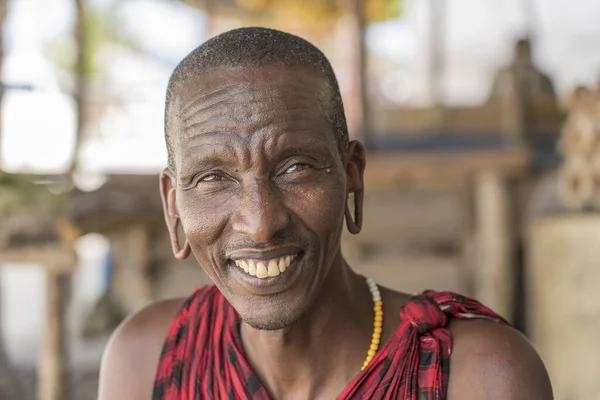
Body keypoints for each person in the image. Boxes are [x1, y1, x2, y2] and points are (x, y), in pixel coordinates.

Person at [98, 28, 552, 399]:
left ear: (351, 175)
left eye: (296, 168)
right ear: (173, 204)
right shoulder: (148, 360)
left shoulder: (479, 377)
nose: (260, 222)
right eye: (213, 178)